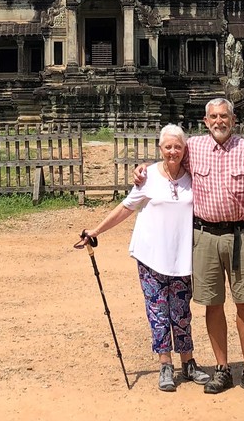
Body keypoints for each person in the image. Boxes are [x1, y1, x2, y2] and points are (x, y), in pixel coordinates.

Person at [135, 98, 244, 396]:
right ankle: (222, 368)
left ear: (233, 120)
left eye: (224, 116)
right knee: (212, 302)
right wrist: (142, 170)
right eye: (213, 117)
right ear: (205, 120)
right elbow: (168, 163)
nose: (219, 121)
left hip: (239, 234)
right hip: (204, 236)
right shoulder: (194, 148)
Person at [76, 124, 211, 392]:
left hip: (182, 257)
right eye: (168, 146)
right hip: (151, 257)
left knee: (182, 313)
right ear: (160, 149)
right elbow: (126, 207)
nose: (173, 151)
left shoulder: (194, 177)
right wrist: (95, 230)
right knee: (158, 313)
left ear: (185, 150)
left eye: (178, 146)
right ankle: (165, 365)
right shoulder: (148, 176)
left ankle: (189, 363)